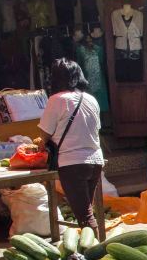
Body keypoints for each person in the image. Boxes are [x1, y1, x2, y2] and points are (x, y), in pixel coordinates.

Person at [39, 58, 103, 229]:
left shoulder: (57, 100)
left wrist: (39, 144)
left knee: (85, 218)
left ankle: (96, 253)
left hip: (72, 164)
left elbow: (44, 136)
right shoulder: (91, 99)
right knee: (86, 211)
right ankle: (88, 250)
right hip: (96, 161)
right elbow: (96, 129)